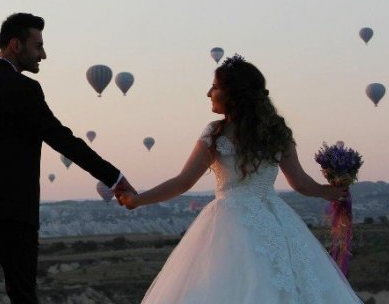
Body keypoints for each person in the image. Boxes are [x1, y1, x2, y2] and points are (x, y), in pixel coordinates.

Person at [117, 54, 362, 303]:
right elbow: (301, 183)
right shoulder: (277, 132)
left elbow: (183, 182)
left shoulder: (216, 132)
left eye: (214, 86)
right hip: (275, 222)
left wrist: (138, 200)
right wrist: (330, 192)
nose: (208, 93)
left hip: (229, 222)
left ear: (232, 93)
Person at [0, 12, 136, 304]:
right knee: (22, 296)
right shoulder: (25, 89)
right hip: (14, 215)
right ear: (15, 45)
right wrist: (114, 177)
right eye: (38, 46)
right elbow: (61, 139)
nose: (43, 54)